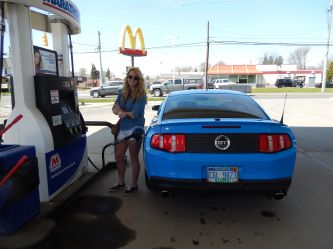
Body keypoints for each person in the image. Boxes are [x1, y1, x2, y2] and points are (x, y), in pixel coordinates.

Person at [109, 67, 147, 194]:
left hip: (135, 129)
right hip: (123, 128)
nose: (132, 79)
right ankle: (121, 182)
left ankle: (134, 185)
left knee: (133, 157)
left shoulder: (141, 95)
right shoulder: (122, 92)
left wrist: (122, 112)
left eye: (135, 77)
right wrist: (121, 112)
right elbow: (114, 108)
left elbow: (134, 114)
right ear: (127, 78)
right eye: (130, 76)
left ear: (139, 80)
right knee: (119, 156)